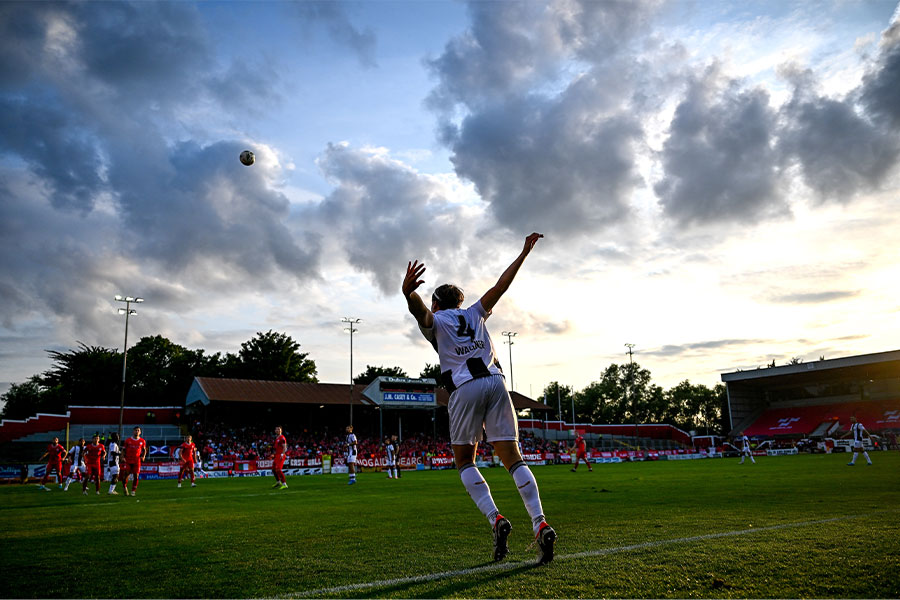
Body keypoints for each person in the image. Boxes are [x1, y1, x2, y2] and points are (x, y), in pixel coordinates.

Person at [402, 232, 556, 564]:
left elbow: (421, 314)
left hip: (465, 388)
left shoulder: (437, 319)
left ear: (437, 303)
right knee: (513, 458)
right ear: (460, 300)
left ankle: (496, 519)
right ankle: (540, 521)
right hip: (497, 382)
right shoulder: (475, 312)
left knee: (465, 461)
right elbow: (500, 287)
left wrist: (408, 293)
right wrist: (524, 252)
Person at [122, 426, 148, 496]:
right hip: (128, 460)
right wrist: (122, 457)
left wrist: (143, 456)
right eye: (135, 430)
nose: (137, 431)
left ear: (140, 432)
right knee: (126, 474)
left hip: (137, 461)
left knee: (136, 476)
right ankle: (124, 487)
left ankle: (133, 491)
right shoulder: (128, 440)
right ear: (133, 431)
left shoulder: (142, 441)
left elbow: (144, 450)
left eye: (138, 430)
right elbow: (123, 450)